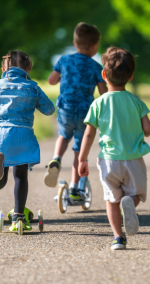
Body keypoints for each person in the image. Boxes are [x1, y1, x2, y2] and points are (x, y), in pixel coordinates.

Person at [78, 47, 150, 251]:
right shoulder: (136, 101)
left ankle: (118, 238)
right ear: (131, 76)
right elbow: (148, 129)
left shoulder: (98, 103)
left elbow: (89, 134)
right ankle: (130, 202)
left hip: (108, 161)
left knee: (111, 200)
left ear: (104, 75)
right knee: (135, 194)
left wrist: (82, 159)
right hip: (133, 159)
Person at [0, 50, 55, 232]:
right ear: (28, 68)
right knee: (20, 176)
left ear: (4, 67)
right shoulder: (32, 87)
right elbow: (50, 109)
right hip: (22, 135)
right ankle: (19, 215)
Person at [44, 23, 108, 201]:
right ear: (95, 46)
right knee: (79, 152)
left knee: (64, 136)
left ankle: (56, 158)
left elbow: (51, 81)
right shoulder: (96, 67)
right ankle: (74, 189)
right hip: (85, 112)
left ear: (74, 42)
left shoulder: (64, 60)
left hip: (66, 108)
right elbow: (104, 94)